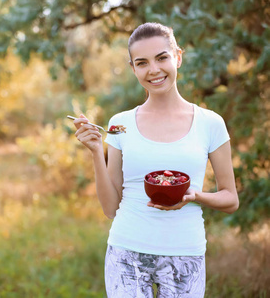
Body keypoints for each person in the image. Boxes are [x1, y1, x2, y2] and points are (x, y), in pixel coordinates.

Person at [72, 22, 239, 298]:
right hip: (126, 253)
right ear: (133, 69)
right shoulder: (119, 125)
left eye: (162, 57)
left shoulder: (210, 123)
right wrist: (94, 152)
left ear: (178, 57)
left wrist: (193, 196)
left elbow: (230, 199)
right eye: (142, 63)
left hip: (186, 254)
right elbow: (111, 208)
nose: (154, 70)